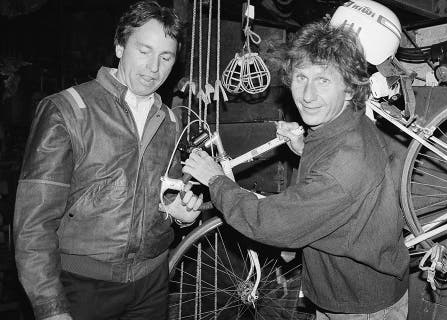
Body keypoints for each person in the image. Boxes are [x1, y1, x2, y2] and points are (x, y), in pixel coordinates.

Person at [183, 21, 410, 319]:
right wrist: (303, 148)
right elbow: (333, 181)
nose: (307, 95)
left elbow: (271, 223)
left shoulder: (345, 160)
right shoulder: (344, 124)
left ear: (349, 87)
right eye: (301, 77)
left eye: (323, 80)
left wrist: (215, 179)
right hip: (348, 292)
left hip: (359, 306)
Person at [13, 2, 203, 319]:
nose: (154, 67)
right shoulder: (68, 109)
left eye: (165, 57)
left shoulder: (169, 120)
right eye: (144, 50)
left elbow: (161, 197)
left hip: (153, 282)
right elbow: (33, 223)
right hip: (83, 286)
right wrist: (49, 306)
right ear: (119, 46)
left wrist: (178, 213)